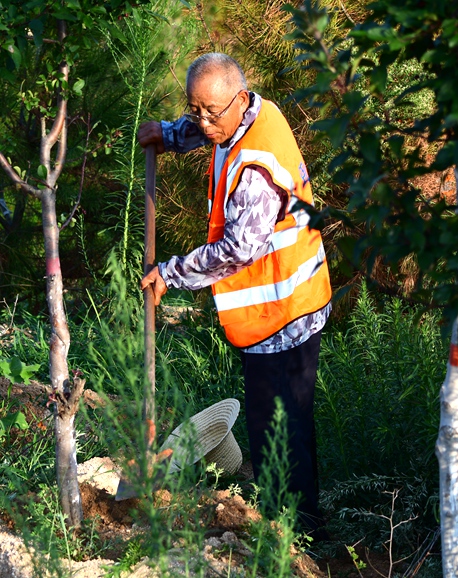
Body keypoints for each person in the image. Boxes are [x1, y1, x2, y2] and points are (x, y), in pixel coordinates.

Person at [137, 53, 332, 535]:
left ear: (239, 99)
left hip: (281, 312)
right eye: (193, 110)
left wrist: (171, 272)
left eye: (210, 112)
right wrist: (172, 133)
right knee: (292, 424)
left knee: (277, 432)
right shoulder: (248, 113)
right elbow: (207, 125)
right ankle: (304, 520)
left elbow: (238, 249)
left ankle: (295, 532)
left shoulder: (255, 168)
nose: (203, 121)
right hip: (292, 297)